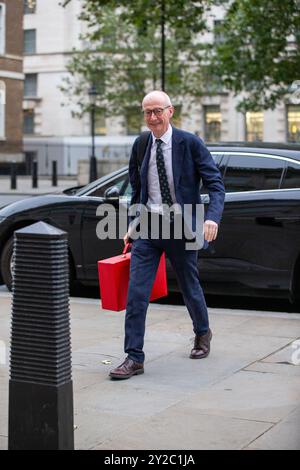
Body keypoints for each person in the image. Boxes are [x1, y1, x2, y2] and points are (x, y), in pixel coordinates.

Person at [109, 90, 225, 379]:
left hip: (182, 227)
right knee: (137, 293)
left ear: (170, 111)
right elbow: (137, 189)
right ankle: (134, 357)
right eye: (147, 112)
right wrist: (133, 223)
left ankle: (202, 332)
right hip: (149, 227)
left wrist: (212, 218)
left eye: (158, 111)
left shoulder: (190, 143)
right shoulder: (140, 144)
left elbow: (215, 184)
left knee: (188, 285)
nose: (152, 117)